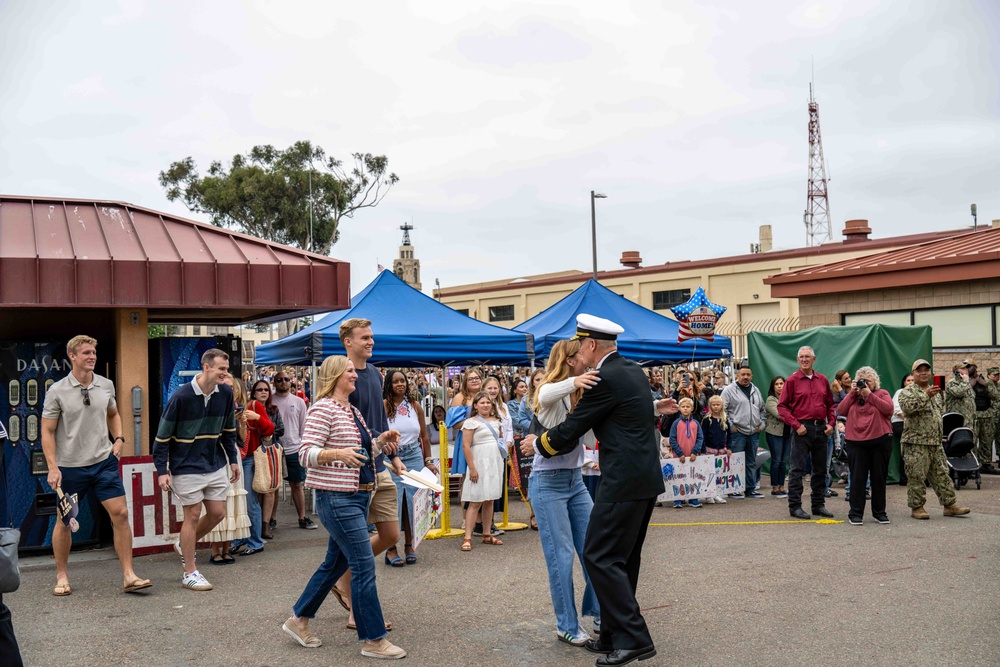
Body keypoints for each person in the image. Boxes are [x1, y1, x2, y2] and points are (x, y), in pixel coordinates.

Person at [522, 314, 671, 665]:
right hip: (643, 479)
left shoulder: (604, 377)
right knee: (622, 557)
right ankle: (612, 634)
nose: (580, 354)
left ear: (590, 345)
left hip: (623, 481)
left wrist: (539, 444)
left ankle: (634, 638)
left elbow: (574, 426)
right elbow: (623, 413)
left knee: (599, 556)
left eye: (582, 346)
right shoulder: (632, 369)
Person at [281, 355, 405, 660]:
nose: (356, 375)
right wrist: (336, 453)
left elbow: (361, 452)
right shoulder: (323, 409)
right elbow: (306, 452)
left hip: (357, 496)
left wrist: (380, 442)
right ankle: (373, 639)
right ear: (335, 376)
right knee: (363, 564)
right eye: (350, 371)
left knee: (333, 565)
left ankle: (298, 619)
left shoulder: (350, 409)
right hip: (337, 499)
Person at [41, 335, 152, 596]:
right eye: (86, 353)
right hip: (70, 468)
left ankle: (129, 575)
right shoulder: (57, 391)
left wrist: (120, 438)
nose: (92, 357)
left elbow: (113, 414)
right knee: (65, 520)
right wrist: (53, 467)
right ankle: (62, 576)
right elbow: (47, 431)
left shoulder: (106, 385)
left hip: (104, 463)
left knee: (121, 514)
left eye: (93, 352)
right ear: (73, 356)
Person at [523, 339, 601, 646]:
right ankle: (567, 624)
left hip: (575, 480)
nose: (587, 355)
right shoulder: (555, 393)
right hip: (548, 482)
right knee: (562, 555)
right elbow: (543, 392)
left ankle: (598, 612)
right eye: (582, 353)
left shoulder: (580, 394)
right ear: (570, 360)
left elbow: (606, 417)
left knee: (595, 547)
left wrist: (651, 408)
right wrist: (573, 382)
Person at [333, 318, 403, 631]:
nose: (371, 341)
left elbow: (378, 421)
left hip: (379, 466)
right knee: (358, 547)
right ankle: (356, 610)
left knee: (391, 535)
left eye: (372, 336)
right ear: (348, 341)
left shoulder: (375, 373)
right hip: (353, 473)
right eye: (364, 337)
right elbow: (346, 423)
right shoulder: (341, 375)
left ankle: (341, 578)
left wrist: (395, 455)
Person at [154, 348, 241, 591]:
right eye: (222, 368)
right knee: (191, 515)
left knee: (217, 513)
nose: (226, 373)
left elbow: (228, 431)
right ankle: (190, 572)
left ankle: (185, 545)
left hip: (214, 463)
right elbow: (161, 439)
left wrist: (233, 459)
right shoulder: (180, 397)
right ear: (206, 367)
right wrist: (162, 470)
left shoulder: (225, 393)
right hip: (185, 466)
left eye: (226, 368)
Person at [898, 359, 971, 520]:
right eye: (919, 370)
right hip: (916, 442)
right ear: (913, 374)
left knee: (942, 475)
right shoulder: (907, 391)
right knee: (916, 476)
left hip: (935, 442)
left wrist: (931, 394)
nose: (923, 373)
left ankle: (950, 505)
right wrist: (926, 395)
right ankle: (917, 507)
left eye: (926, 370)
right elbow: (908, 409)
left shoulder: (937, 392)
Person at [383, 370, 438, 566]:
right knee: (393, 503)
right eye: (395, 382)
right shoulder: (384, 406)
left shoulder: (415, 406)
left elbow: (424, 436)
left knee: (412, 503)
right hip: (391, 455)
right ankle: (390, 548)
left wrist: (428, 461)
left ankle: (409, 545)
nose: (400, 384)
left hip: (414, 454)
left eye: (403, 381)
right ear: (389, 385)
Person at [776, 346, 836, 520]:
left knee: (820, 470)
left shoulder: (823, 380)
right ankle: (795, 507)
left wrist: (831, 423)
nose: (804, 359)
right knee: (797, 470)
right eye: (801, 357)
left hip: (821, 429)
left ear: (814, 359)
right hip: (801, 430)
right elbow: (782, 407)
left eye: (807, 357)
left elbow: (831, 405)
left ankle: (818, 505)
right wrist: (796, 425)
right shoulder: (792, 381)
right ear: (797, 360)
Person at [837, 366, 894, 525]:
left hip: (880, 441)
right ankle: (855, 513)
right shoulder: (853, 396)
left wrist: (869, 395)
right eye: (862, 381)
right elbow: (840, 410)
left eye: (868, 381)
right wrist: (852, 393)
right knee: (857, 479)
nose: (864, 384)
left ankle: (879, 512)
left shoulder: (882, 394)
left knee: (878, 478)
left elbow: (888, 410)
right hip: (856, 442)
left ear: (876, 382)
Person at [207, 376, 251, 565]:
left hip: (232, 457)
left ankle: (227, 548)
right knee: (218, 500)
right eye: (226, 386)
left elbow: (240, 439)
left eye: (232, 387)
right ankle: (215, 549)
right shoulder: (209, 405)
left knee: (232, 502)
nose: (229, 390)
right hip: (216, 457)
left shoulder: (237, 406)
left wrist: (241, 421)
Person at [228, 381, 276, 556]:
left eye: (231, 387)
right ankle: (239, 538)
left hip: (248, 458)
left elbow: (270, 428)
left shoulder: (253, 405)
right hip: (232, 459)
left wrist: (256, 418)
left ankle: (255, 541)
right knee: (235, 501)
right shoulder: (225, 407)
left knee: (250, 501)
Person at [459, 392, 506, 552]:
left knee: (490, 499)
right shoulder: (470, 422)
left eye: (488, 402)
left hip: (494, 462)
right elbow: (466, 445)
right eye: (482, 402)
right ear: (475, 405)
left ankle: (487, 534)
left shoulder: (497, 421)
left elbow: (499, 440)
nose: (485, 405)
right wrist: (472, 468)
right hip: (479, 461)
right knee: (475, 500)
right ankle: (467, 537)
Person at [271, 371, 317, 530]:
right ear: (274, 382)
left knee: (297, 484)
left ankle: (302, 517)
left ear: (291, 382)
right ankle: (271, 519)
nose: (283, 382)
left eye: (286, 379)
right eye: (279, 380)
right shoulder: (269, 399)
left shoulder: (298, 402)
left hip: (293, 449)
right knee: (273, 487)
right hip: (273, 449)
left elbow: (304, 428)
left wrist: (303, 447)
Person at [720, 366, 766, 499]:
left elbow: (762, 409)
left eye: (748, 375)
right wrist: (732, 425)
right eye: (743, 375)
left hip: (754, 432)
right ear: (738, 375)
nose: (745, 377)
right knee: (735, 461)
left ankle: (750, 489)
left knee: (751, 461)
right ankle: (733, 489)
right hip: (737, 432)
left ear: (751, 376)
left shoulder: (755, 390)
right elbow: (723, 410)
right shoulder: (729, 390)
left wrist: (761, 425)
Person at [249, 380, 285, 540]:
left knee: (271, 489)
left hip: (271, 451)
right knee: (257, 487)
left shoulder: (273, 409)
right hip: (255, 452)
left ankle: (266, 524)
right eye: (259, 390)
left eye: (266, 390)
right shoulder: (250, 407)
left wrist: (266, 428)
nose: (263, 392)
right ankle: (258, 524)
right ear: (254, 392)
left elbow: (280, 428)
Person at [669, 397, 704, 509]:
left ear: (692, 408)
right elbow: (672, 439)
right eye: (683, 407)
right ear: (679, 408)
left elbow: (700, 438)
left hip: (693, 456)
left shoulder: (696, 423)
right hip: (679, 457)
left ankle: (693, 498)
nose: (685, 409)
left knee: (693, 477)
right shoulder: (676, 423)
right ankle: (678, 499)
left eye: (688, 407)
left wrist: (695, 451)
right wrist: (679, 453)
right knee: (679, 477)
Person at [962, 360, 996, 473]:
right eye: (965, 367)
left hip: (986, 414)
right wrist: (969, 383)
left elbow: (995, 395)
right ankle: (973, 464)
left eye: (969, 366)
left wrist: (985, 385)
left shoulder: (986, 381)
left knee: (987, 440)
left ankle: (986, 464)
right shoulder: (963, 381)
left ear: (975, 367)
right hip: (972, 416)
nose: (967, 368)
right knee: (972, 441)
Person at [701, 395, 731, 504]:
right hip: (709, 451)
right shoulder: (706, 420)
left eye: (718, 404)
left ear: (722, 406)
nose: (716, 407)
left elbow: (730, 435)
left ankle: (717, 493)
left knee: (718, 474)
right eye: (713, 405)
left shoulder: (725, 419)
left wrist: (728, 447)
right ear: (710, 406)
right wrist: (703, 450)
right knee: (709, 473)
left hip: (721, 451)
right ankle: (708, 494)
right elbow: (702, 436)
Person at [764, 376, 790, 498]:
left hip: (788, 433)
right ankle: (775, 488)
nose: (780, 386)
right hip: (774, 434)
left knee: (784, 461)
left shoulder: (790, 398)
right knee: (776, 460)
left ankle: (782, 487)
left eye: (782, 383)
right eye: (777, 384)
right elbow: (780, 415)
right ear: (773, 386)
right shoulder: (771, 400)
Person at [891, 373, 914, 486]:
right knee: (907, 448)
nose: (910, 382)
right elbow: (896, 409)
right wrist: (908, 420)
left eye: (912, 380)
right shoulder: (900, 392)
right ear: (904, 383)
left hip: (914, 425)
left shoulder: (919, 394)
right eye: (908, 380)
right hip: (900, 423)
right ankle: (904, 478)